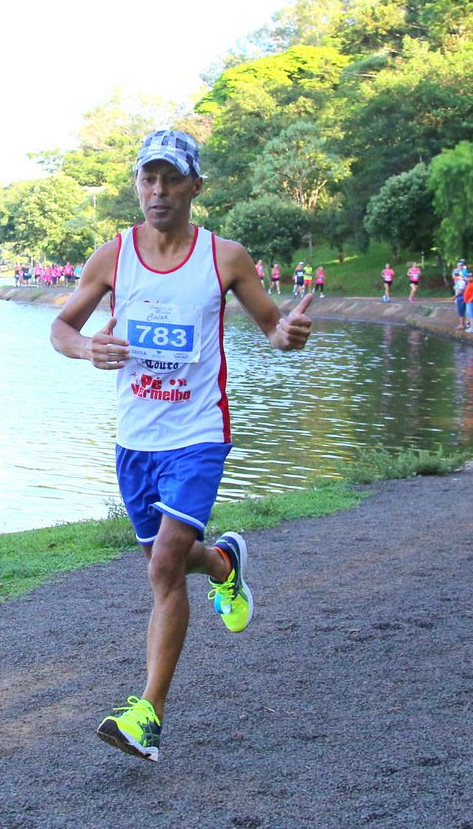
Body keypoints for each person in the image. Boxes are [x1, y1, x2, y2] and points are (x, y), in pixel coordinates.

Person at [51, 130, 315, 761]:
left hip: (198, 433)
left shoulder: (225, 258)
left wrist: (289, 335)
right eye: (148, 178)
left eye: (171, 178)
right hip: (136, 441)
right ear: (137, 186)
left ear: (195, 185)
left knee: (164, 566)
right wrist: (87, 348)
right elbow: (62, 327)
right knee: (168, 561)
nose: (159, 191)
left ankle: (148, 715)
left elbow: (272, 328)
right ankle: (223, 564)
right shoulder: (113, 257)